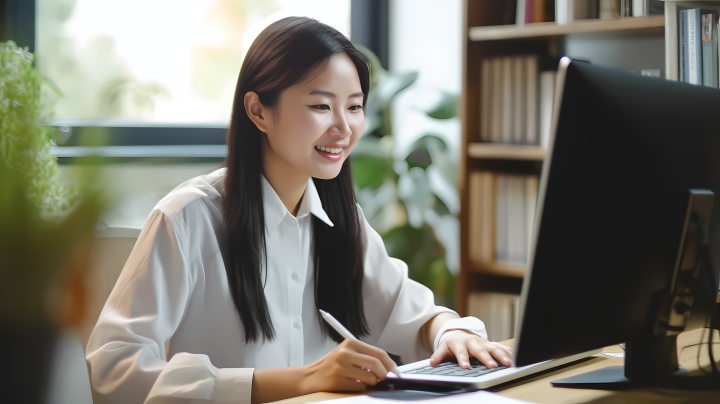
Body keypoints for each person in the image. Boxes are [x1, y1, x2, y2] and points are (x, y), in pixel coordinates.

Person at [85, 16, 513, 404]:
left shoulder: (341, 220)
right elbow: (114, 371)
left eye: (355, 106)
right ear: (258, 111)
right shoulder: (188, 219)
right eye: (321, 106)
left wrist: (451, 330)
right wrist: (303, 380)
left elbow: (412, 311)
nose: (344, 128)